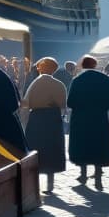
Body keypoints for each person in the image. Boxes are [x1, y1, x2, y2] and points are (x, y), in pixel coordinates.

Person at [66, 55, 109, 189]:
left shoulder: (77, 80)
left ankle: (83, 174)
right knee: (98, 145)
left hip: (81, 119)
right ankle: (98, 175)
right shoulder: (106, 80)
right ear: (95, 65)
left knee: (83, 145)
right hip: (99, 118)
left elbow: (70, 102)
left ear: (83, 65)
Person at [22, 57, 66, 193]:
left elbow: (26, 103)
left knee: (36, 149)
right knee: (52, 149)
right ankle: (50, 183)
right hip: (53, 118)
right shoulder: (59, 84)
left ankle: (34, 184)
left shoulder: (35, 83)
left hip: (37, 119)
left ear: (42, 67)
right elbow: (63, 105)